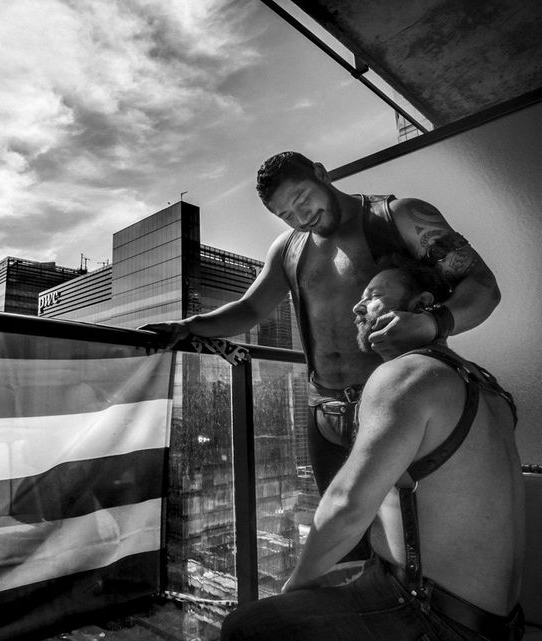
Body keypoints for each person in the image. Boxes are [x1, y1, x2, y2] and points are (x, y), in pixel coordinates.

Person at [140, 151, 501, 557]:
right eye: (285, 214)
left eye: (302, 199)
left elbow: (483, 286)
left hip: (398, 407)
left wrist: (433, 323)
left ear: (321, 173)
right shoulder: (289, 249)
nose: (299, 217)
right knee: (345, 546)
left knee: (417, 542)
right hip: (327, 415)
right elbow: (250, 309)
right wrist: (188, 326)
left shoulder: (398, 216)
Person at [219, 260, 525, 641]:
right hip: (501, 621)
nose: (357, 307)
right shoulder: (489, 386)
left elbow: (347, 507)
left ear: (423, 303)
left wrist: (293, 592)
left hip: (432, 615)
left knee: (246, 628)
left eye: (373, 296)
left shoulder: (405, 375)